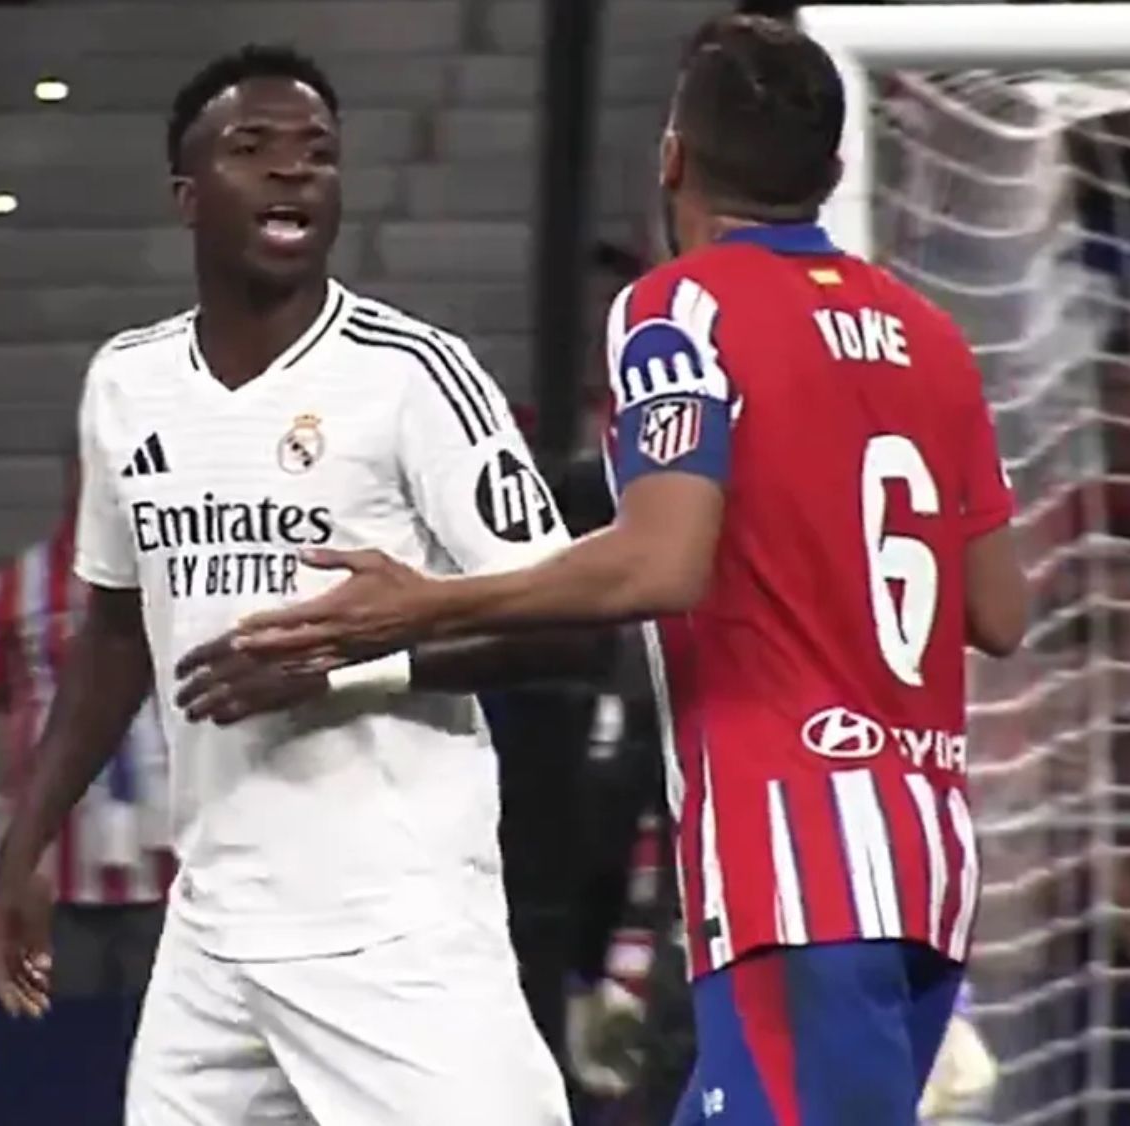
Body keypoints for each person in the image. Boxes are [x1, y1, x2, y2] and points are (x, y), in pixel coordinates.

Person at [224, 16, 1028, 1124]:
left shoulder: (676, 309)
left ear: (670, 160)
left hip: (793, 853)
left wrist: (411, 607)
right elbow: (1000, 608)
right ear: (833, 175)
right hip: (928, 854)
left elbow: (658, 563)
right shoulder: (930, 337)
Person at [0, 46, 609, 1126]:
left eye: (316, 154)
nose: (291, 174)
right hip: (215, 926)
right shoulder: (126, 386)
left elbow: (564, 621)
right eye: (252, 149)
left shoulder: (414, 375)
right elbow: (117, 632)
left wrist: (359, 655)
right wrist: (25, 838)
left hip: (392, 922)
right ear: (186, 197)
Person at [0, 450, 172, 998]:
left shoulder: (182, 577)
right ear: (74, 478)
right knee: (60, 1046)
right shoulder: (16, 587)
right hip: (54, 866)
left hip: (175, 866)